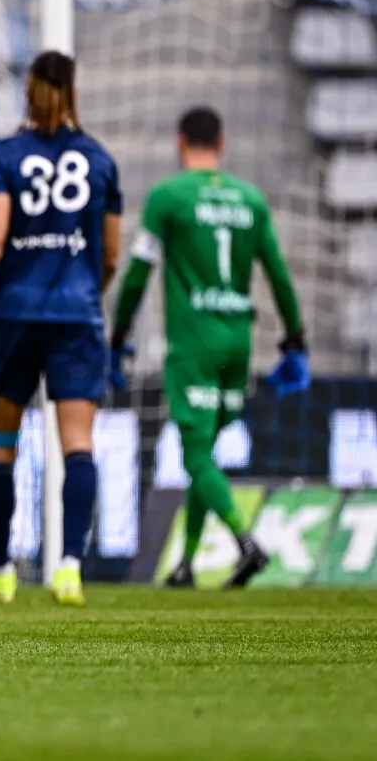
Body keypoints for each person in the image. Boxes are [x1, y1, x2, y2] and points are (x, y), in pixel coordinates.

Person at [0, 50, 121, 606]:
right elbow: (111, 254)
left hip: (15, 315)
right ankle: (69, 567)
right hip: (76, 314)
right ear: (74, 90)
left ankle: (1, 572)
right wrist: (84, 290)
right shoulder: (99, 160)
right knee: (78, 444)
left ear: (28, 88)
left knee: (0, 446)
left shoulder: (4, 156)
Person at [111, 106, 308, 589]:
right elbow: (278, 273)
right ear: (221, 144)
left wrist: (117, 337)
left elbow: (137, 274)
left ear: (181, 142)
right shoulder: (250, 200)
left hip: (194, 340)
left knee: (197, 456)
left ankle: (246, 542)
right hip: (237, 340)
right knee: (206, 454)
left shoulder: (168, 198)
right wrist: (296, 338)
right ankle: (187, 564)